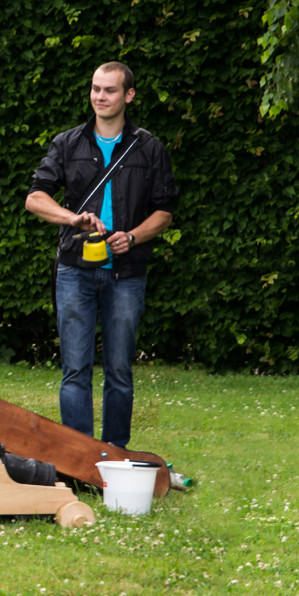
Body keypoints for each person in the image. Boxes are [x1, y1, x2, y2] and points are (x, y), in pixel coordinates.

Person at [25, 61, 178, 447]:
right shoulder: (67, 143)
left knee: (120, 371)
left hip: (126, 274)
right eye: (95, 89)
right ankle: (78, 458)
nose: (100, 97)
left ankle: (114, 457)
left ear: (128, 95)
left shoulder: (149, 148)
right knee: (75, 370)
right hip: (74, 269)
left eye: (109, 90)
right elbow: (35, 198)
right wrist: (72, 218)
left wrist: (134, 236)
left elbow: (165, 212)